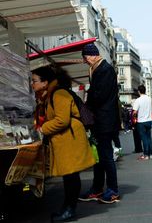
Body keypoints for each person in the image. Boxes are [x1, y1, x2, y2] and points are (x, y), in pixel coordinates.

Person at [32, 66, 95, 221]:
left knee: (71, 177)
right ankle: (67, 208)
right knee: (70, 177)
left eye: (34, 81)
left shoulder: (59, 94)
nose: (32, 84)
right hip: (66, 139)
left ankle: (70, 210)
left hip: (70, 139)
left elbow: (62, 120)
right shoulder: (50, 95)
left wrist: (42, 129)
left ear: (45, 82)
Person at [79, 43, 121, 204]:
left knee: (106, 156)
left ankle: (112, 190)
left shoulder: (104, 69)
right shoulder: (98, 69)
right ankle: (97, 188)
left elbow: (100, 95)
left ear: (92, 55)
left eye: (85, 57)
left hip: (105, 119)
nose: (84, 61)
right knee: (100, 157)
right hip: (101, 119)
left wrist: (86, 106)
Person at [133, 85, 152, 160]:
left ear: (139, 91)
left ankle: (146, 154)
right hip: (149, 120)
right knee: (149, 137)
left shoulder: (138, 100)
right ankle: (150, 154)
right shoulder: (149, 99)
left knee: (144, 138)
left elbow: (134, 112)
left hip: (141, 121)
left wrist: (134, 118)